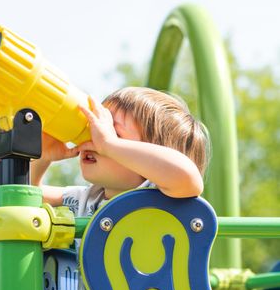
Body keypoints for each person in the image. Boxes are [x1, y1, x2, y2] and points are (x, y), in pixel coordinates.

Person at [31, 86, 210, 217]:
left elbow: (189, 177)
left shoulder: (161, 197)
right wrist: (41, 157)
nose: (95, 139)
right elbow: (27, 197)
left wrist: (110, 144)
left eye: (113, 132)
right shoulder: (88, 198)